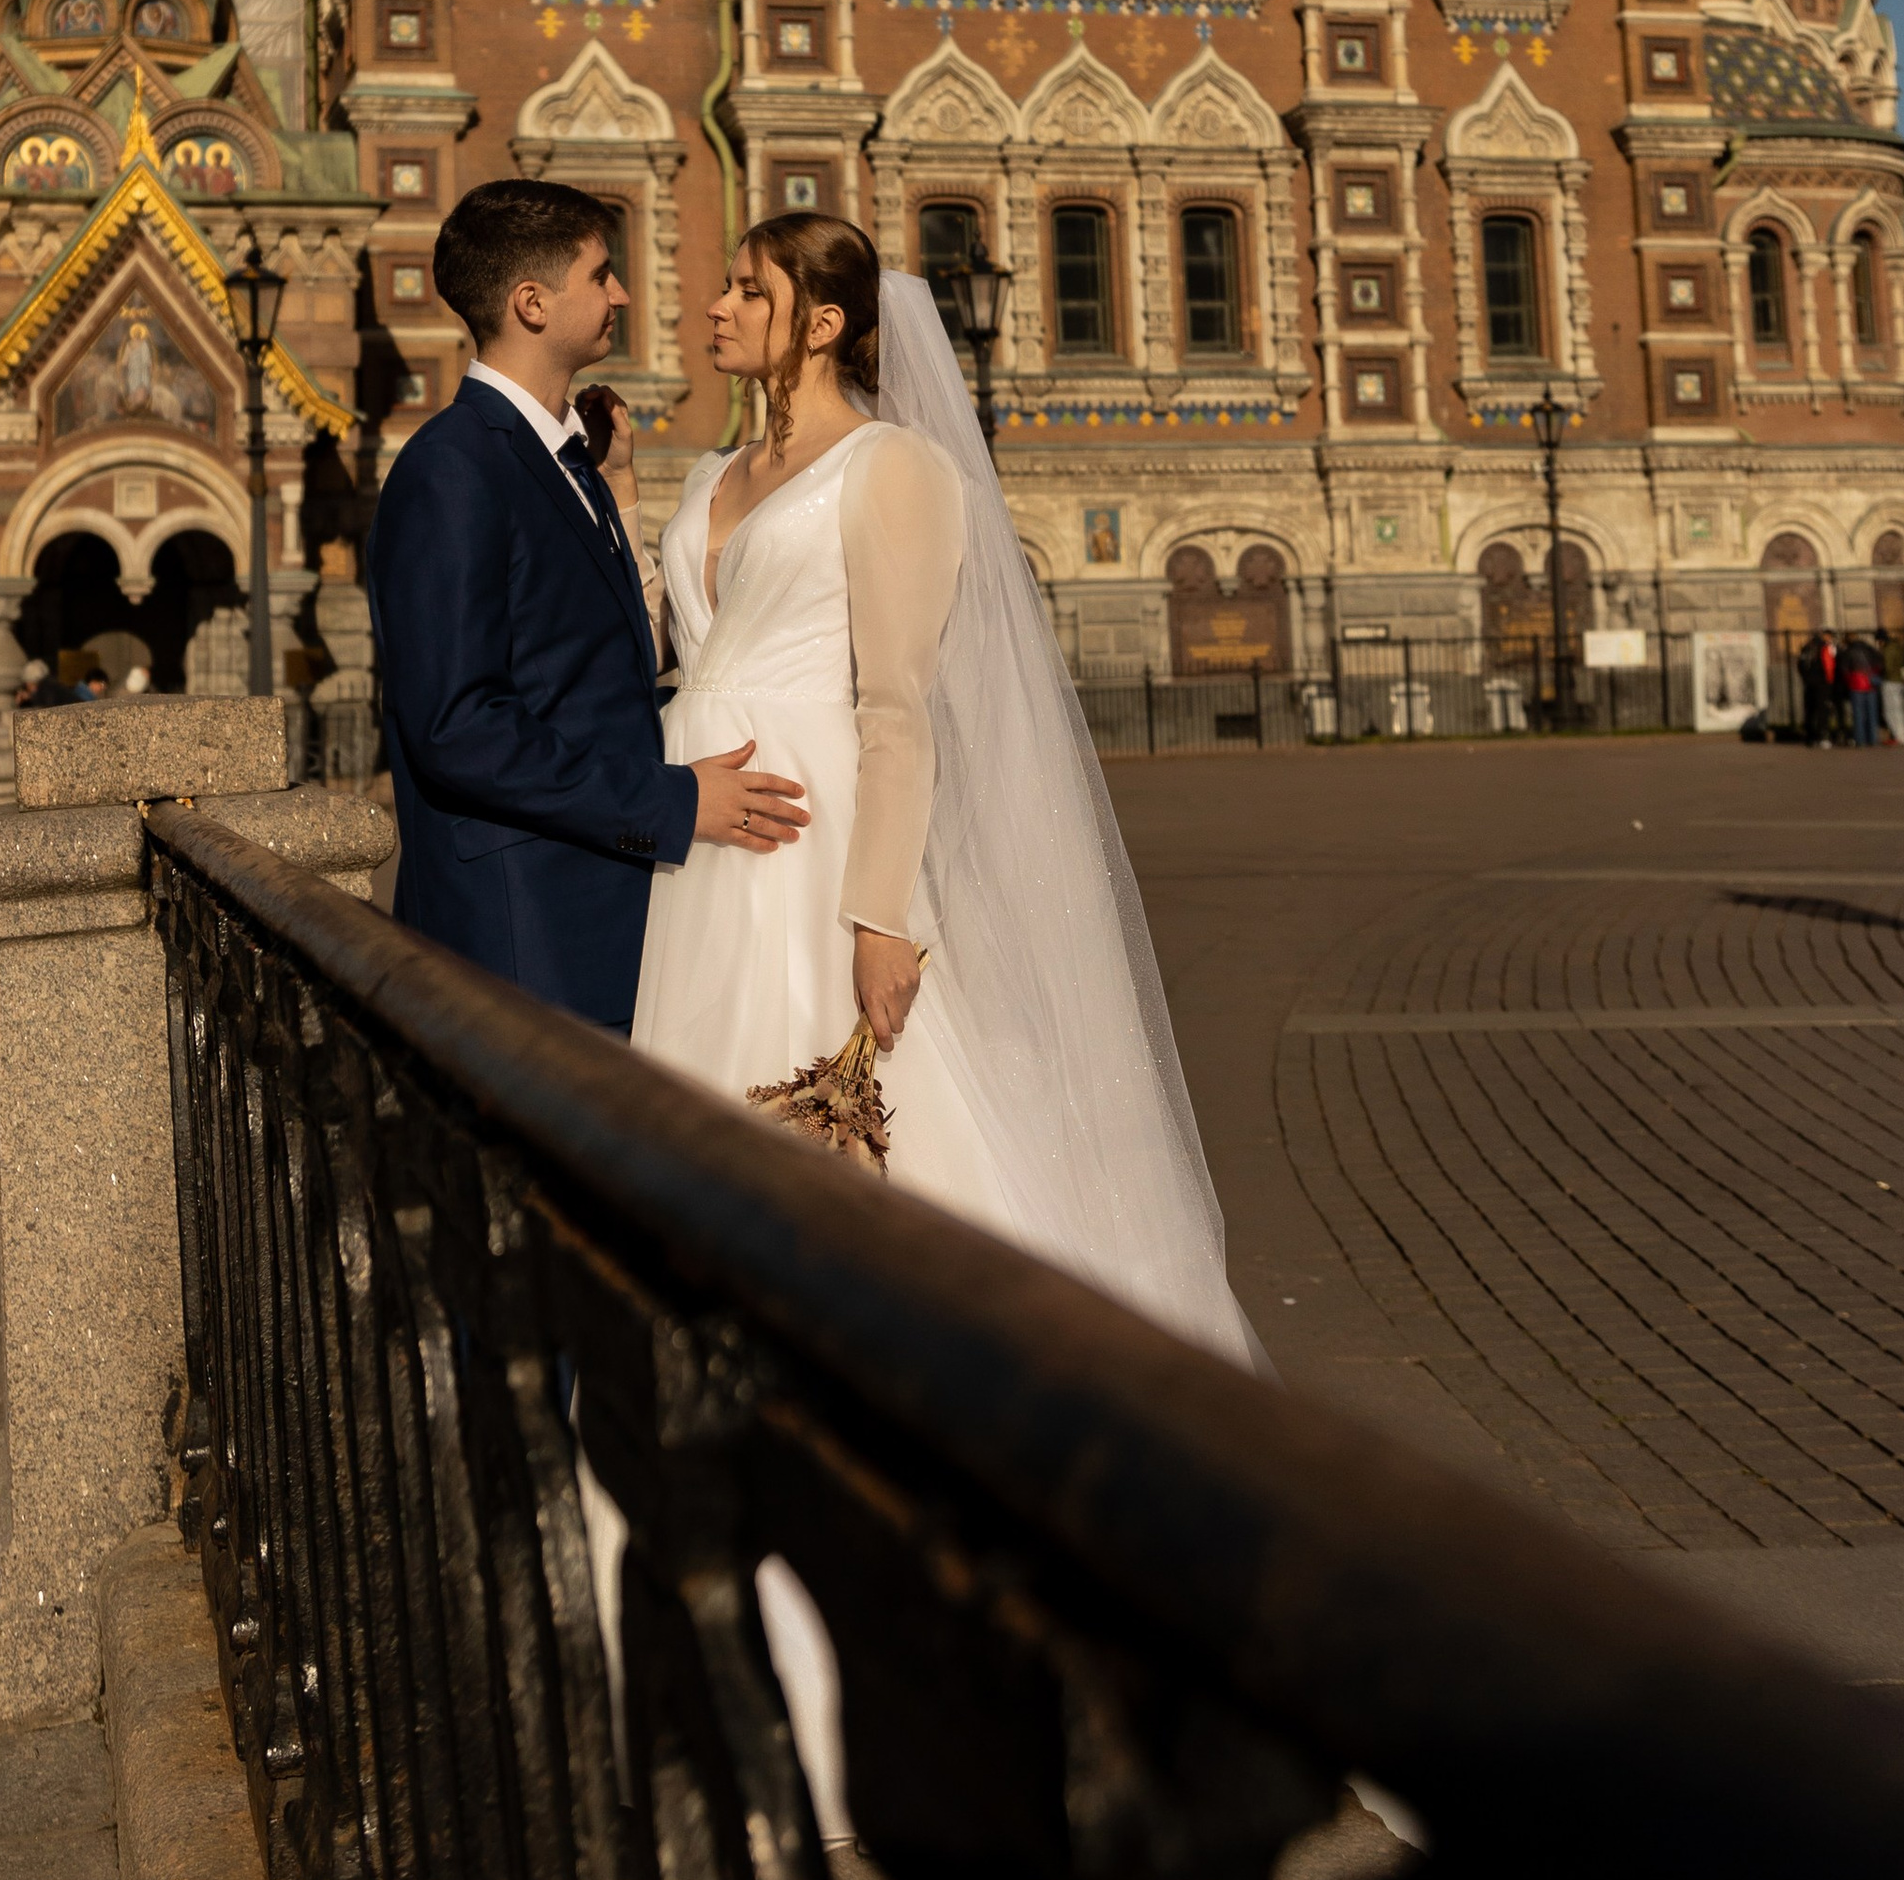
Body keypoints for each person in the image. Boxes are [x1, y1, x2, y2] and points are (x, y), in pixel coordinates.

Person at [628, 211, 1253, 1362]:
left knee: (851, 1121)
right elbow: (684, 647)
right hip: (697, 828)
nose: (715, 306)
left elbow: (897, 706)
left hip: (814, 837)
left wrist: (881, 918)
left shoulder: (892, 467)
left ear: (822, 323)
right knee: (700, 1108)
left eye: (750, 290)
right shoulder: (714, 471)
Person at [365, 178, 806, 1036]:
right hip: (525, 937)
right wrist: (674, 803)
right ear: (532, 303)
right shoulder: (453, 468)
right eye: (601, 274)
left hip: (597, 915)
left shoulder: (570, 457)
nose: (623, 295)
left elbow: (601, 665)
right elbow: (459, 727)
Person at [1839, 632, 1883, 749]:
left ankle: (1860, 740)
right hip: (1871, 683)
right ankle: (1873, 739)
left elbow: (1844, 669)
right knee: (1872, 714)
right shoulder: (1870, 649)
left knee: (1858, 714)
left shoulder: (1848, 652)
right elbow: (1879, 664)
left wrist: (1849, 680)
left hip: (1856, 684)